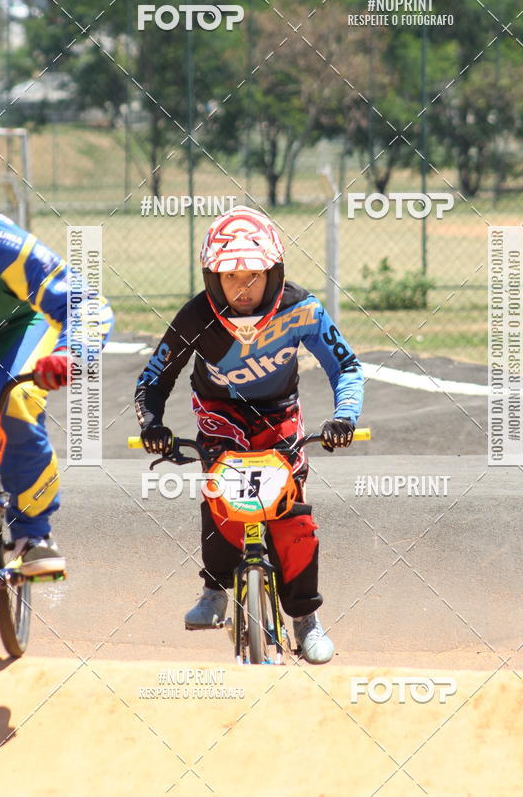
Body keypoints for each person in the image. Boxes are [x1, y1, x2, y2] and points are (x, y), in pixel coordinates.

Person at [135, 205, 364, 664]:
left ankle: (305, 620)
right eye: (230, 275)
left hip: (279, 413)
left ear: (274, 272)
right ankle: (215, 590)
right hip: (219, 413)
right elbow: (154, 378)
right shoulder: (197, 317)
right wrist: (152, 425)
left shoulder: (302, 308)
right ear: (210, 276)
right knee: (222, 492)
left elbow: (348, 366)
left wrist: (345, 416)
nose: (243, 288)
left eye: (254, 275)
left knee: (291, 513)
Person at [0, 212, 113, 576]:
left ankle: (32, 536)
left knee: (18, 400)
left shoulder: (6, 246)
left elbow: (85, 304)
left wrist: (69, 353)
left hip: (19, 328)